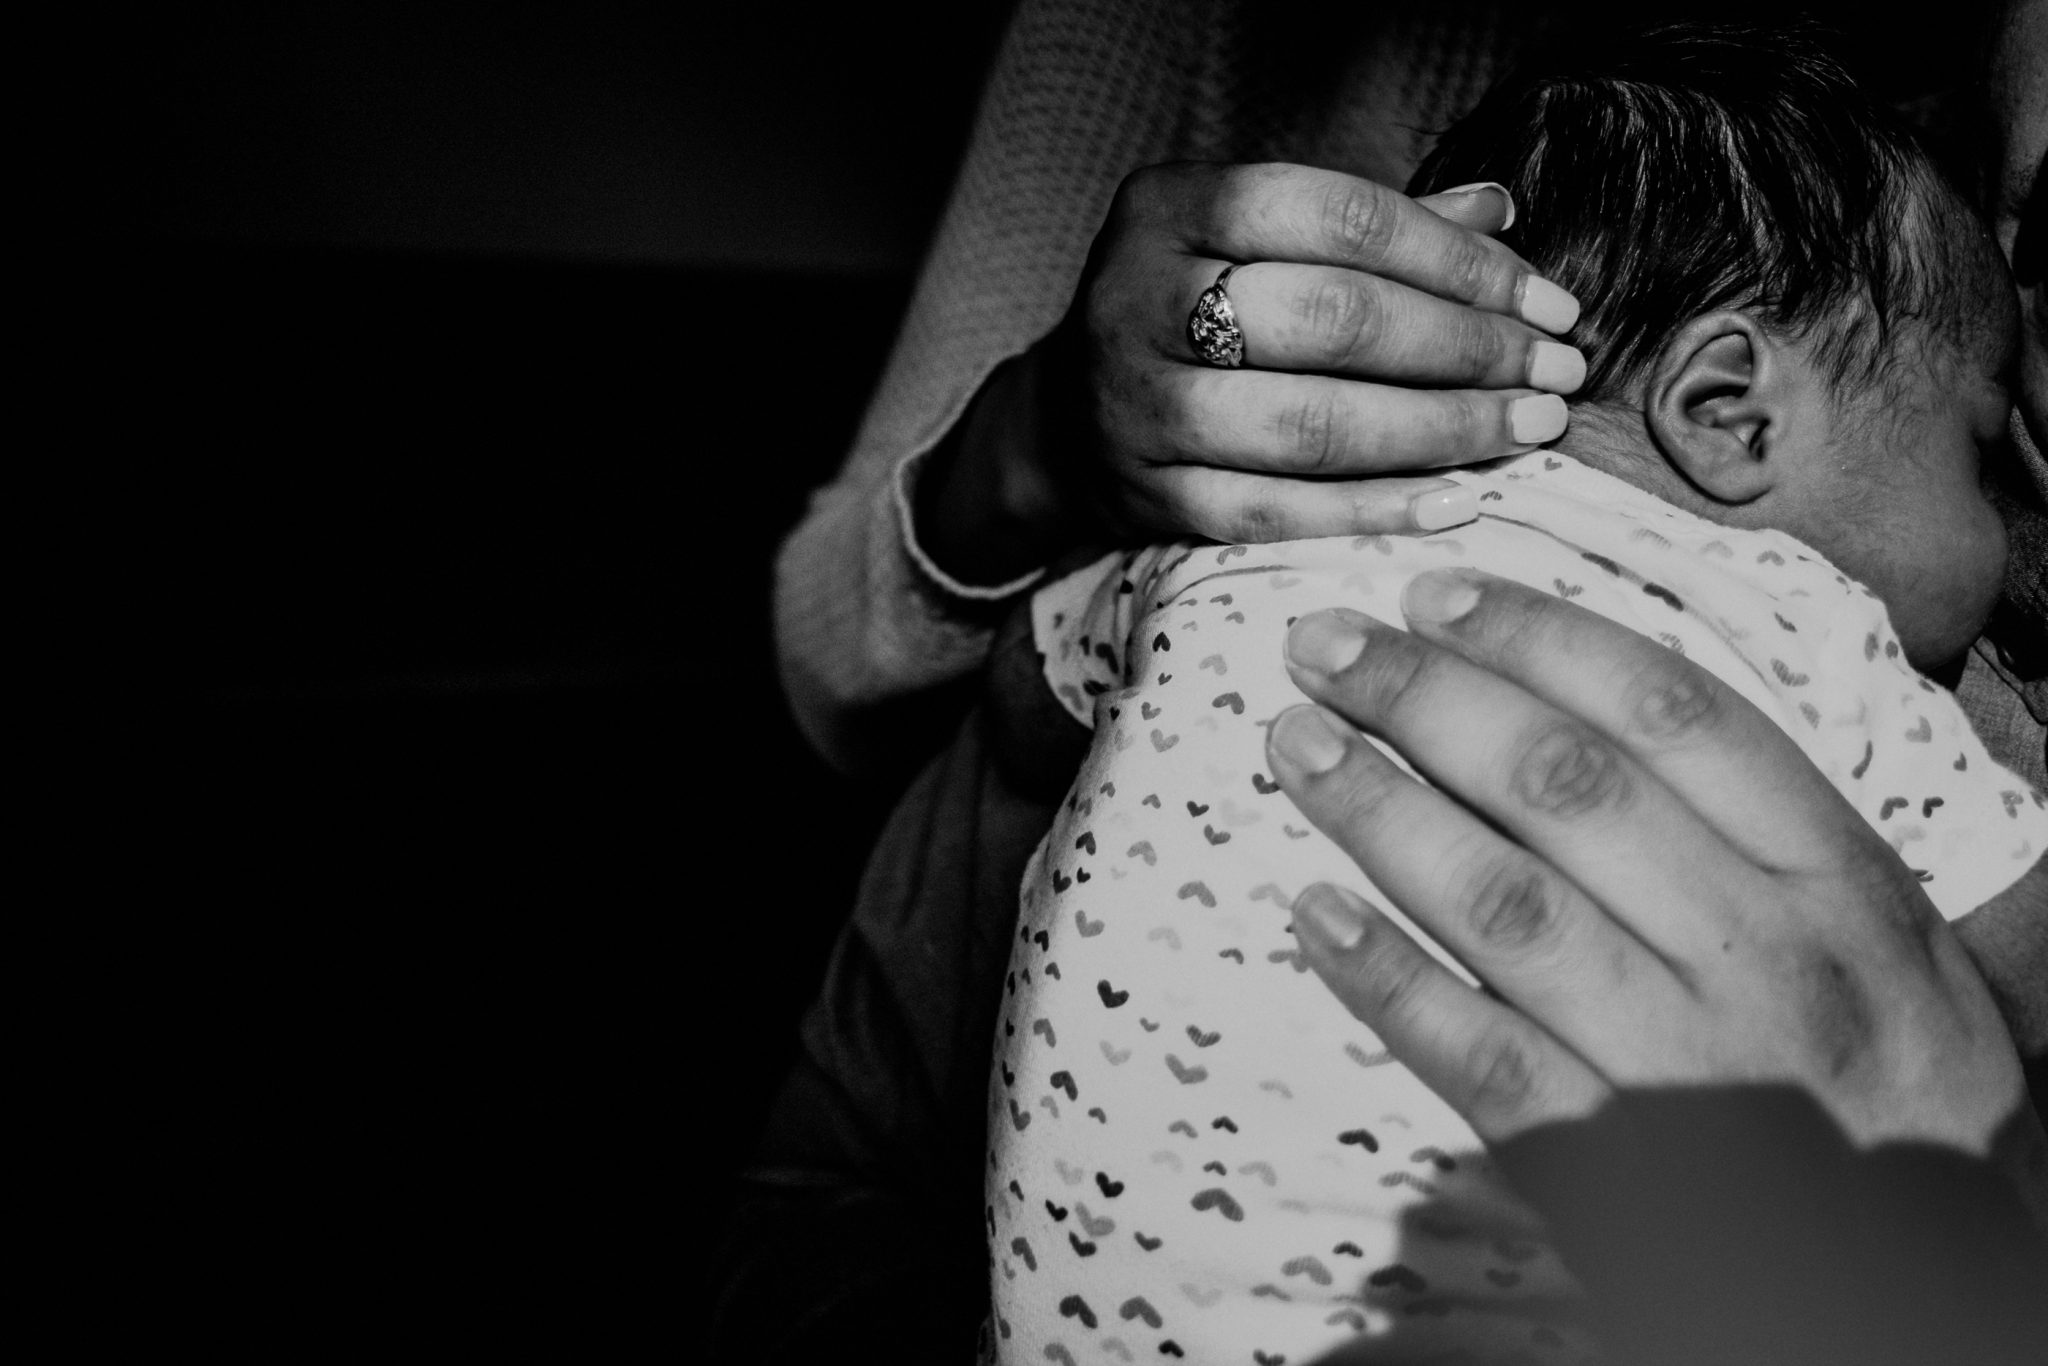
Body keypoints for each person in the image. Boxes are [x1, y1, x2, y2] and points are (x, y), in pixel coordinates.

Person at [722, 1, 2045, 1358]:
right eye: (1981, 454)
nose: (2004, 513)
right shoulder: (1813, 623)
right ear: (1729, 412)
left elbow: (1027, 683)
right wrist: (1042, 438)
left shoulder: (1237, 532)